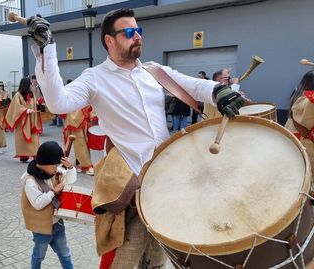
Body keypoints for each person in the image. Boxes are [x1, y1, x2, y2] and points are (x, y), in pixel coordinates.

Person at [27, 8, 245, 268]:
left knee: (158, 256)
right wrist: (47, 49)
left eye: (138, 31)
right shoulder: (95, 78)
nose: (137, 36)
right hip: (130, 187)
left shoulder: (154, 72)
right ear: (110, 40)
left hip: (166, 181)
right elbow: (58, 102)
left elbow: (192, 85)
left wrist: (219, 91)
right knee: (124, 257)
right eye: (129, 32)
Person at [20, 141, 75, 269]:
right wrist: (53, 192)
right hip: (41, 228)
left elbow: (70, 178)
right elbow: (38, 203)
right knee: (39, 256)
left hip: (57, 224)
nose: (57, 168)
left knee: (65, 254)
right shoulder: (30, 180)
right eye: (55, 165)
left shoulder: (52, 171)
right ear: (45, 163)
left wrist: (70, 167)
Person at [4, 78, 42, 162]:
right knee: (22, 138)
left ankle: (35, 154)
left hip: (32, 120)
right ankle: (23, 156)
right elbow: (16, 107)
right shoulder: (18, 95)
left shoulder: (31, 94)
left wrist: (38, 103)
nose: (30, 85)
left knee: (34, 138)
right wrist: (26, 110)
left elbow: (34, 103)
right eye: (29, 84)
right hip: (22, 120)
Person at [285, 70, 314, 174]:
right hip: (305, 140)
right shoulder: (308, 101)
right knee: (307, 170)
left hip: (293, 133)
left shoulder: (298, 95)